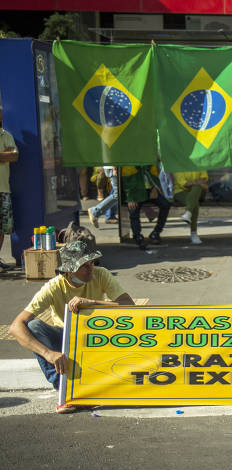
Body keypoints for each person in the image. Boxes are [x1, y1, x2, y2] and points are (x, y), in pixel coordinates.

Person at [8, 241, 135, 412]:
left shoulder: (101, 274)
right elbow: (15, 327)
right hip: (66, 339)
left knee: (126, 324)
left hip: (96, 336)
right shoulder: (54, 287)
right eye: (84, 266)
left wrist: (93, 303)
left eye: (91, 263)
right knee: (33, 325)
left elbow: (130, 306)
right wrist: (49, 354)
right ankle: (65, 389)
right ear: (69, 270)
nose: (90, 269)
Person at [121, 164, 171, 250]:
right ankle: (137, 236)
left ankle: (156, 232)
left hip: (149, 191)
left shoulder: (149, 161)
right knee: (133, 209)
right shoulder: (129, 164)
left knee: (165, 204)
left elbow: (155, 177)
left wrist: (155, 189)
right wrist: (130, 198)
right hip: (136, 193)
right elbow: (126, 182)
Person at [0, 107, 18, 270]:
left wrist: (7, 155)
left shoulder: (6, 135)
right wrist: (3, 155)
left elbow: (14, 155)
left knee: (2, 227)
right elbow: (8, 155)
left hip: (3, 188)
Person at [173, 170, 208, 245]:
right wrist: (196, 183)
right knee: (194, 202)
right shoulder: (178, 164)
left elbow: (203, 178)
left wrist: (195, 183)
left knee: (196, 189)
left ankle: (188, 213)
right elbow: (184, 183)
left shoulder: (198, 162)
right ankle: (193, 233)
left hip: (198, 190)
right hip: (181, 192)